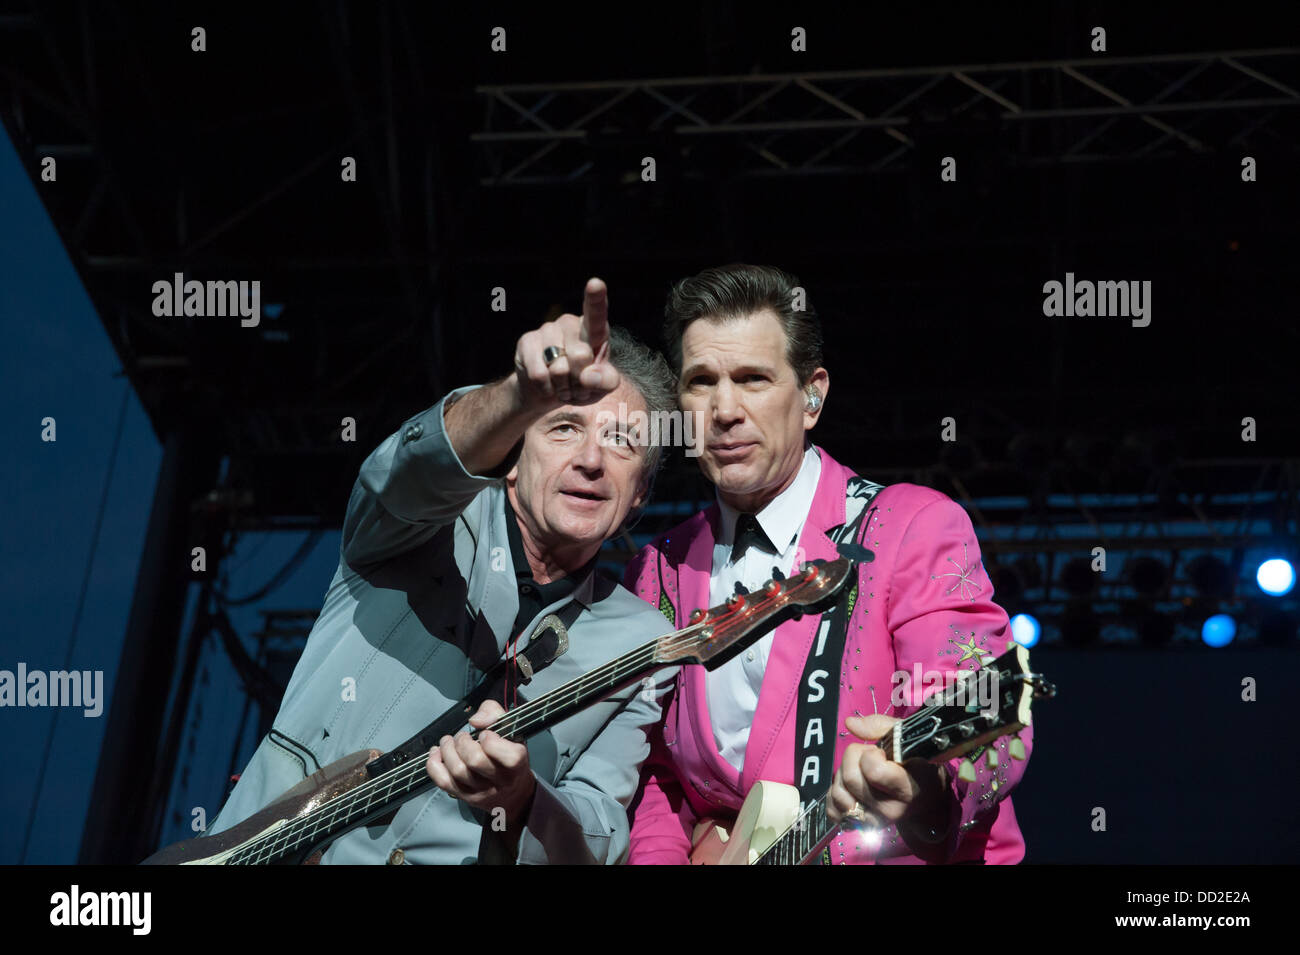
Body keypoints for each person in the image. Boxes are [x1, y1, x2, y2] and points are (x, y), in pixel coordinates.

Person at [204, 278, 681, 864]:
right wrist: (515, 396)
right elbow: (408, 473)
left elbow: (602, 833)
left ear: (638, 497)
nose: (590, 459)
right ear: (511, 460)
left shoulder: (640, 644)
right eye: (563, 427)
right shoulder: (424, 523)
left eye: (621, 444)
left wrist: (526, 798)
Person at [624, 264, 1033, 864]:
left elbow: (975, 704)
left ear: (811, 396)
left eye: (753, 379)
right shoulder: (655, 569)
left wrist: (925, 789)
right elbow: (651, 770)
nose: (725, 408)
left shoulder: (909, 528)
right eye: (702, 381)